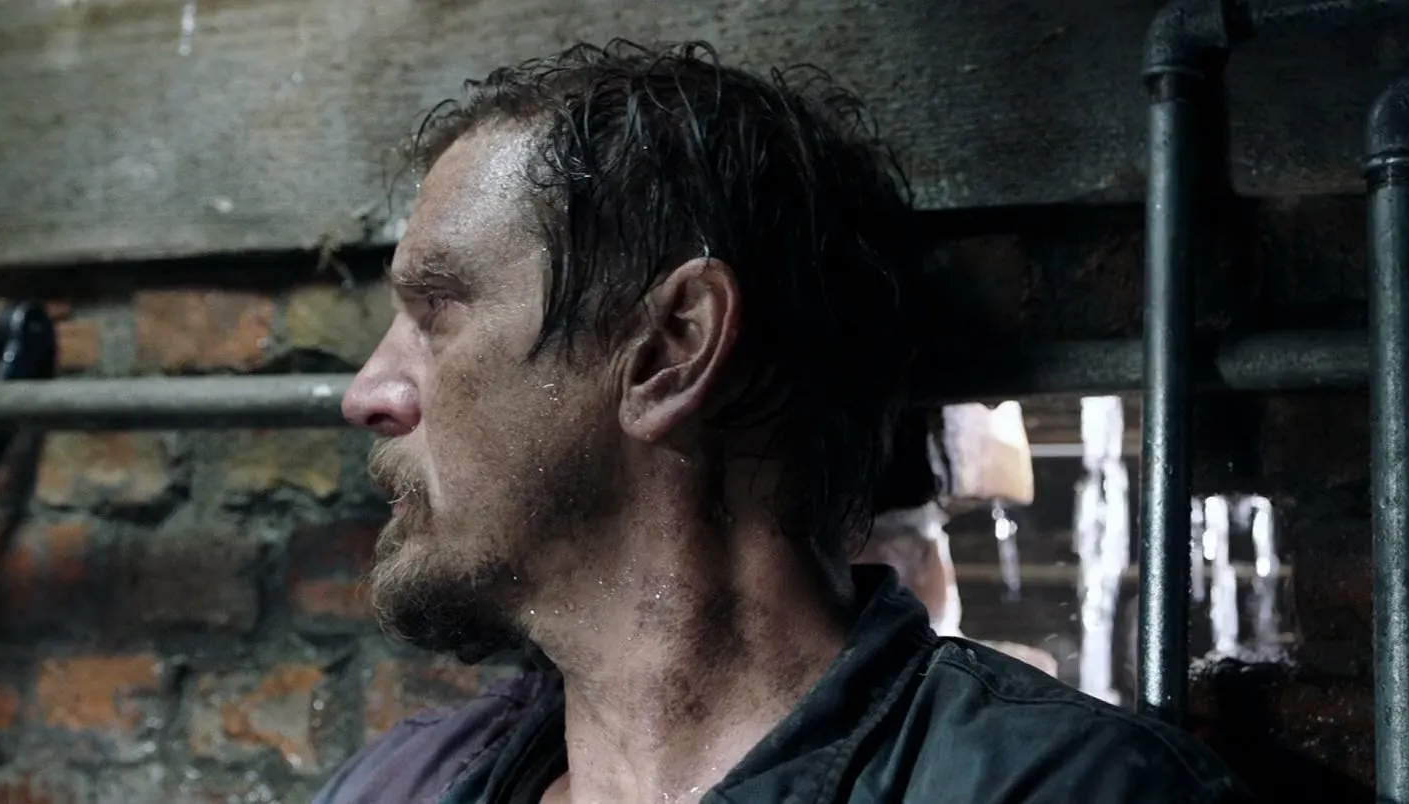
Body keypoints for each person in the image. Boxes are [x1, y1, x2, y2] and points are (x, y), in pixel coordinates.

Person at [319, 39, 1251, 804]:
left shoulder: (1063, 790)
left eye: (436, 311)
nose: (369, 393)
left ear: (672, 348)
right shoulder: (395, 787)